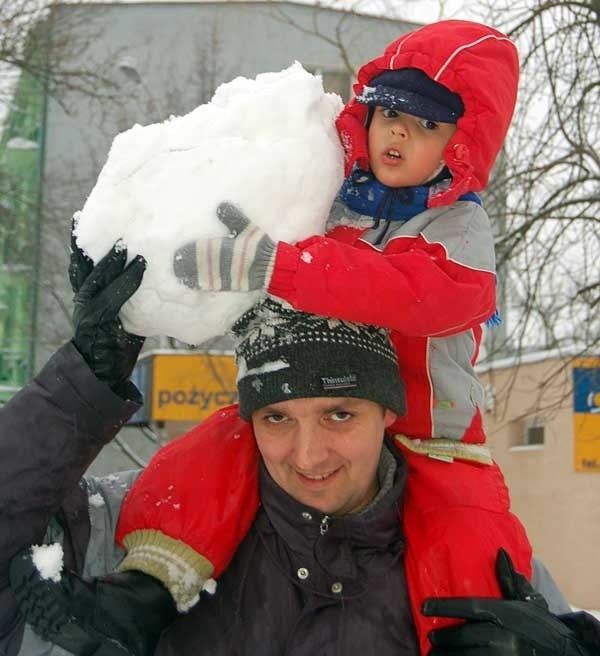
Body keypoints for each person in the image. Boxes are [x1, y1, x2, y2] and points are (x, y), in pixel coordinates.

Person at [100, 17, 541, 646]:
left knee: (464, 522)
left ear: (462, 146)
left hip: (433, 426)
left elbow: (404, 292)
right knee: (219, 446)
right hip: (328, 396)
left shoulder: (460, 231)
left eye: (428, 125)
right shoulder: (341, 197)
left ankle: (469, 632)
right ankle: (153, 575)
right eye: (390, 112)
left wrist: (283, 266)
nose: (400, 132)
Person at [6, 294, 600, 656]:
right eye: (277, 417)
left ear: (388, 412)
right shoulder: (139, 535)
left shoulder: (480, 564)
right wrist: (74, 394)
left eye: (339, 414)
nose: (308, 456)